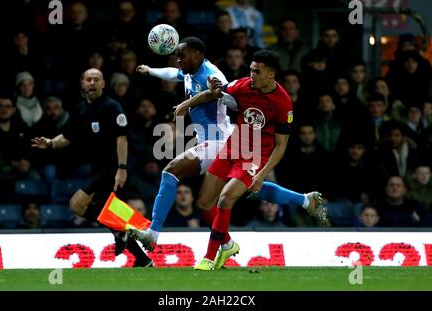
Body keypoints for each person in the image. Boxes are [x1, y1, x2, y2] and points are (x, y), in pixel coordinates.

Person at [131, 38, 326, 252]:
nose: (178, 60)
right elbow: (174, 74)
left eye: (182, 55)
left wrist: (191, 102)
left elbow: (230, 99)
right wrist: (150, 70)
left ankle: (153, 233)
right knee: (242, 189)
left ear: (197, 55)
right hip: (216, 139)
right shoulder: (189, 71)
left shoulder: (212, 75)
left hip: (220, 140)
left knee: (172, 170)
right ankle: (303, 201)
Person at [31, 68, 153, 267]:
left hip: (112, 168)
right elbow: (68, 136)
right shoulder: (79, 109)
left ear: (103, 83)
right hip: (97, 168)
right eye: (88, 79)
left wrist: (121, 168)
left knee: (76, 204)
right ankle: (142, 257)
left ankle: (126, 231)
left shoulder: (112, 107)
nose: (92, 82)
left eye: (96, 79)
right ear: (82, 83)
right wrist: (51, 143)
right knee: (108, 213)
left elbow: (122, 139)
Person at [185, 50, 295, 270]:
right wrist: (190, 102)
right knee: (204, 202)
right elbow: (215, 93)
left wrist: (262, 174)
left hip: (256, 156)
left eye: (257, 71)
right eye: (251, 69)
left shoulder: (282, 102)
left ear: (271, 73)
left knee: (225, 199)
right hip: (233, 147)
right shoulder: (242, 85)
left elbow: (281, 145)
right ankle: (227, 244)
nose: (251, 74)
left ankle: (208, 257)